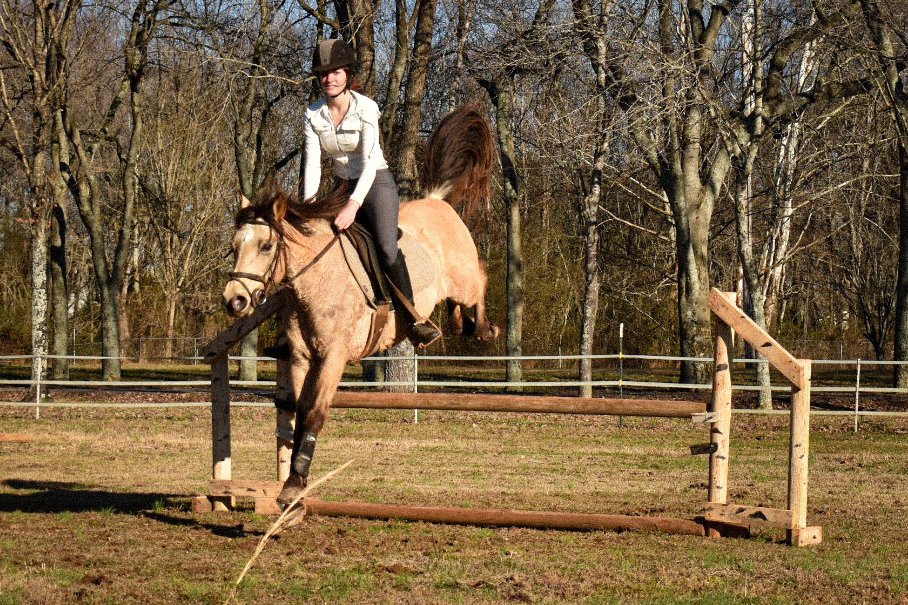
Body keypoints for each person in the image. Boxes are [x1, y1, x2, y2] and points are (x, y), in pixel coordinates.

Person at [303, 38, 440, 347]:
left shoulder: (367, 108)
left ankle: (413, 319)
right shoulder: (313, 114)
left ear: (347, 74)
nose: (329, 79)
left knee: (386, 247)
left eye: (335, 72)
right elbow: (311, 166)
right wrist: (309, 207)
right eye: (323, 73)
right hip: (342, 184)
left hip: (375, 181)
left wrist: (353, 206)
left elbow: (367, 164)